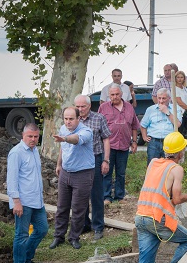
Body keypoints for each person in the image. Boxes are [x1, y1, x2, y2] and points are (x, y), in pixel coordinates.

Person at [135, 131, 187, 263]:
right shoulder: (176, 169)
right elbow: (177, 199)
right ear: (180, 152)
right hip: (158, 219)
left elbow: (166, 195)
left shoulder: (153, 163)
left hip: (141, 217)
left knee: (145, 261)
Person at [7, 123, 48, 263]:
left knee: (42, 229)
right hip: (23, 202)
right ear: (23, 136)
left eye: (35, 136)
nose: (33, 139)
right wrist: (16, 202)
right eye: (29, 136)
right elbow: (11, 179)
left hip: (37, 200)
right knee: (22, 234)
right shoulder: (16, 153)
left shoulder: (34, 150)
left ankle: (27, 259)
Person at [50, 107, 95, 250]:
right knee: (62, 207)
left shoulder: (86, 131)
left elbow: (75, 140)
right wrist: (59, 164)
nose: (68, 122)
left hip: (83, 173)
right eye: (66, 119)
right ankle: (58, 236)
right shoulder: (63, 128)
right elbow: (63, 148)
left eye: (71, 119)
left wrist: (64, 138)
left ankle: (74, 237)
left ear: (78, 118)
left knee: (78, 209)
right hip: (65, 172)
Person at [74, 94, 111, 241]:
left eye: (83, 106)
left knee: (96, 195)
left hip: (95, 159)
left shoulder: (98, 118)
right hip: (78, 161)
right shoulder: (72, 120)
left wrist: (106, 160)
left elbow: (106, 139)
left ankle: (98, 227)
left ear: (89, 106)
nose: (80, 109)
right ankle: (84, 224)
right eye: (77, 106)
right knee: (80, 194)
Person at [98, 85, 140, 204]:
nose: (115, 97)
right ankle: (106, 197)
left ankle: (119, 196)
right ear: (109, 96)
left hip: (124, 145)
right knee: (106, 172)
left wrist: (135, 141)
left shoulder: (129, 107)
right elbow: (98, 126)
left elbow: (134, 126)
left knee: (121, 173)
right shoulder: (103, 107)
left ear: (121, 94)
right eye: (112, 95)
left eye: (117, 94)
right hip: (108, 146)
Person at [140, 88, 181, 165]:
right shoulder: (151, 109)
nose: (161, 101)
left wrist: (167, 112)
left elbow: (178, 124)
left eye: (164, 98)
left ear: (169, 98)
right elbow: (143, 125)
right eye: (159, 98)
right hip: (154, 142)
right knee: (153, 166)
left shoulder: (175, 108)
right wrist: (144, 137)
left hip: (169, 142)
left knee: (168, 166)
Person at [173, 70, 187, 137]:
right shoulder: (174, 88)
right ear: (175, 78)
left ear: (184, 79)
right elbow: (179, 102)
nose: (180, 79)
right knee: (180, 132)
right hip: (180, 113)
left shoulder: (185, 89)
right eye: (178, 77)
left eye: (181, 77)